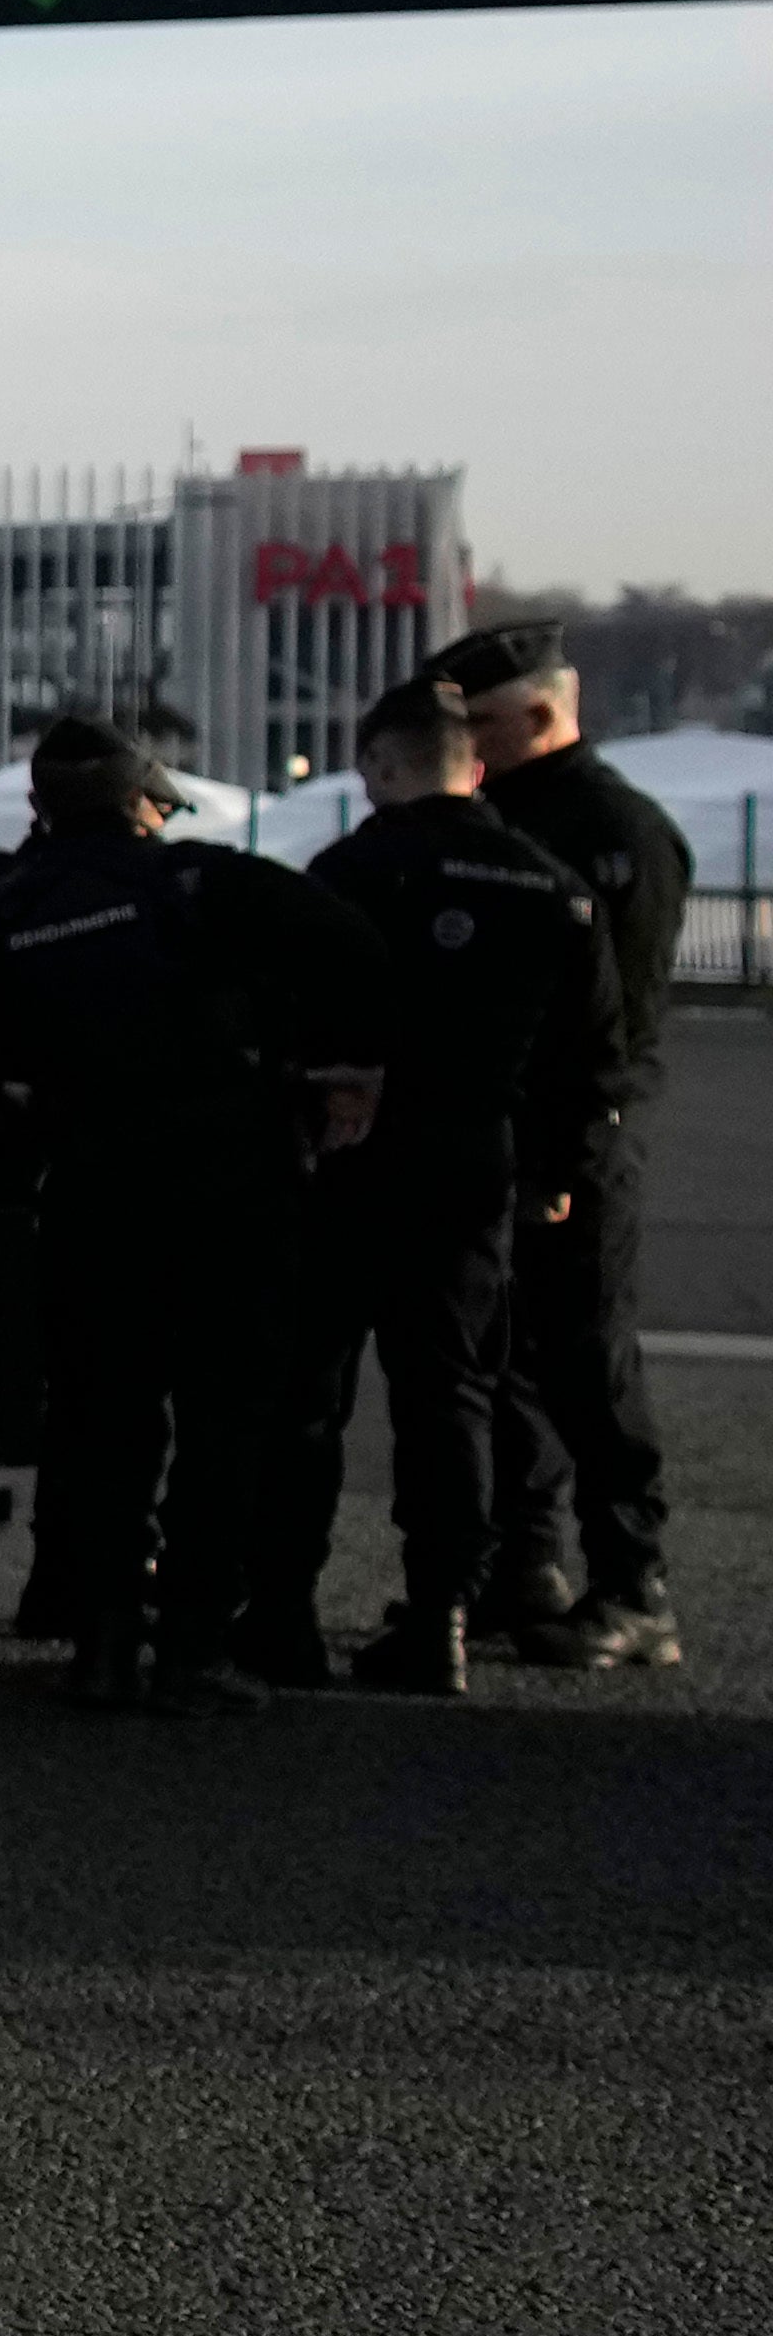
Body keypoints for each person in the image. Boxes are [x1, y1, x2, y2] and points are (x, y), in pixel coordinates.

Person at [0, 717, 388, 1708]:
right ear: (143, 804)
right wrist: (343, 1071)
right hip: (229, 1188)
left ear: (41, 809)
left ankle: (102, 1637)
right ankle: (192, 1644)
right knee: (224, 1422)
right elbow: (354, 950)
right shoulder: (205, 883)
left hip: (85, 1189)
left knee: (103, 1417)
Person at [303, 672, 620, 1695]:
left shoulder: (344, 874)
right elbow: (593, 1056)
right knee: (453, 1397)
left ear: (382, 766)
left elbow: (284, 1021)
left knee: (310, 1391)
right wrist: (558, 1172)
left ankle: (279, 1612)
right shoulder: (551, 885)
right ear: (473, 765)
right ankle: (441, 1616)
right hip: (475, 1164)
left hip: (348, 1161)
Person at [439, 614, 690, 1669]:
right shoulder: (497, 816)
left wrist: (574, 1160)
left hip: (574, 1134)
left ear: (542, 713)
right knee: (511, 1363)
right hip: (497, 1132)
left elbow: (618, 1027)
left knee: (587, 1360)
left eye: (483, 724)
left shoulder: (614, 831)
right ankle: (526, 1565)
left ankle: (636, 1588)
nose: (468, 745)